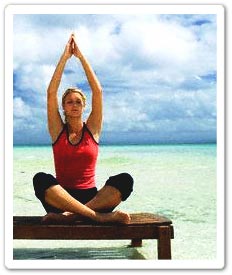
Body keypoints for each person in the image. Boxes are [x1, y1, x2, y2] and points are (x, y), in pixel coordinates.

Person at [33, 34, 134, 224]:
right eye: (69, 102)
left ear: (84, 106)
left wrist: (81, 57)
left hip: (92, 199)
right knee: (40, 179)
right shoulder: (58, 131)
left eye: (78, 102)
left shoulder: (92, 130)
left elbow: (98, 91)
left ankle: (71, 217)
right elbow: (51, 93)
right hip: (60, 199)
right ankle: (97, 218)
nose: (74, 105)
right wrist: (64, 57)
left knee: (125, 180)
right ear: (63, 107)